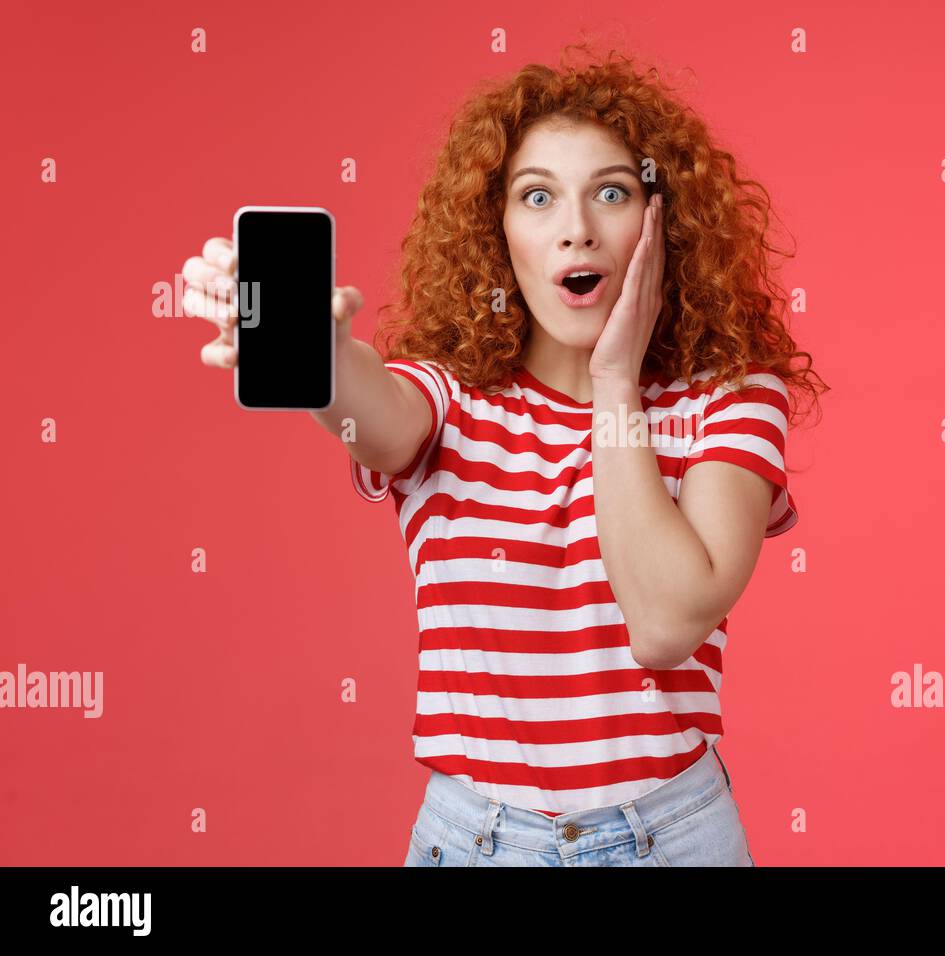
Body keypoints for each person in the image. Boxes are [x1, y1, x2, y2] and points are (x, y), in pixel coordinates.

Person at [182, 43, 828, 866]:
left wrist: (616, 381)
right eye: (537, 198)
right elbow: (372, 410)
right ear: (497, 232)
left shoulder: (730, 398)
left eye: (611, 192)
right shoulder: (448, 399)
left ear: (664, 221)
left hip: (674, 839)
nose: (576, 230)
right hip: (474, 843)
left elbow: (666, 623)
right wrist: (319, 352)